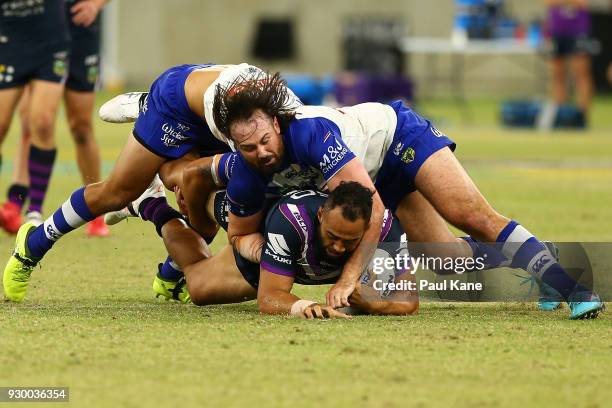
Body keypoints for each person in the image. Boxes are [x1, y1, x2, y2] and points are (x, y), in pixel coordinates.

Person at [210, 71, 603, 320]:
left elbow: (376, 212)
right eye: (248, 148)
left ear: (276, 124)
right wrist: (266, 253)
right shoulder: (245, 174)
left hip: (397, 138)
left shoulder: (310, 135)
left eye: (265, 140)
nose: (261, 152)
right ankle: (541, 256)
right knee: (447, 260)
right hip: (370, 179)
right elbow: (239, 234)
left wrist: (348, 280)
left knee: (471, 216)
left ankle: (572, 287)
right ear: (235, 146)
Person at [2, 63, 301, 303]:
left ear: (276, 123)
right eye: (254, 146)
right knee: (123, 192)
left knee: (208, 213)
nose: (263, 151)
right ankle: (35, 242)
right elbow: (217, 184)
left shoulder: (295, 118)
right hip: (178, 108)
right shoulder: (237, 123)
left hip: (219, 112)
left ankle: (167, 265)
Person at [111, 176, 418, 318]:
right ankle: (152, 203)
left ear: (368, 230)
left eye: (349, 242)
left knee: (200, 290)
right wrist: (305, 307)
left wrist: (374, 304)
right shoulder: (293, 222)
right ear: (321, 214)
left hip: (293, 257)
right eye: (332, 235)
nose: (338, 247)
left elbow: (409, 300)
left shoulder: (387, 230)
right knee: (199, 287)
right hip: (261, 225)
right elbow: (270, 298)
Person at [0, 0, 109, 236]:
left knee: (80, 127)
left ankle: (96, 206)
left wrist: (96, 4)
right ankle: (20, 202)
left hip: (78, 30)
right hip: (33, 27)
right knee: (34, 121)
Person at [0, 0, 70, 232]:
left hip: (50, 41)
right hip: (8, 41)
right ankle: (16, 201)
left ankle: (34, 210)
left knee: (42, 122)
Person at [544, 0, 594, 122]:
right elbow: (548, 3)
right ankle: (560, 115)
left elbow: (583, 3)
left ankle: (582, 116)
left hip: (579, 30)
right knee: (557, 75)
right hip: (557, 30)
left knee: (581, 75)